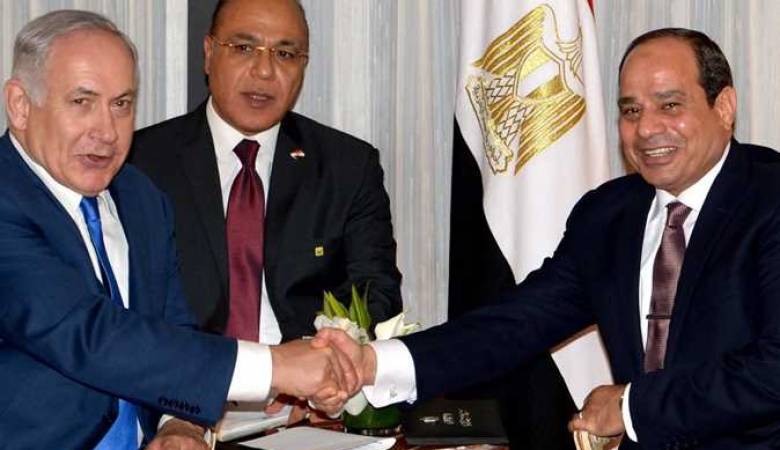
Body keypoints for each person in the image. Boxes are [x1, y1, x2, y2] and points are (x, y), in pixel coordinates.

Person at [317, 28, 780, 449]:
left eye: (670, 105)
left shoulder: (770, 199)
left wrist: (630, 407)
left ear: (724, 107)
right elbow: (515, 324)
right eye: (631, 110)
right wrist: (372, 363)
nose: (646, 128)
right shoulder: (609, 215)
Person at [0, 10, 354, 450]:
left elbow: (175, 328)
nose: (107, 132)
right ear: (20, 104)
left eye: (121, 104)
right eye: (82, 102)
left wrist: (178, 423)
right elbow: (92, 336)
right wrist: (276, 366)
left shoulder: (140, 196)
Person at [129, 0, 402, 346]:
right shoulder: (142, 162)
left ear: (303, 66)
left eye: (285, 54)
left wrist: (329, 360)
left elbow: (376, 293)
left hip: (308, 373)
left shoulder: (347, 166)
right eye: (244, 48)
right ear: (209, 53)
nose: (264, 72)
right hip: (188, 371)